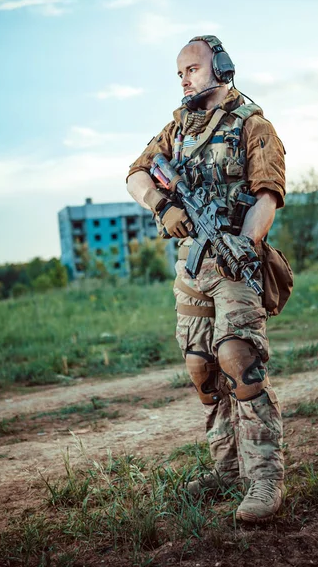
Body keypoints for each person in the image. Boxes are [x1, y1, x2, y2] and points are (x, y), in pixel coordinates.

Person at [126, 35, 286, 523]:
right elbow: (136, 174)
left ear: (221, 66)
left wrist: (247, 243)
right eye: (180, 72)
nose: (184, 78)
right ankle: (227, 467)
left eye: (192, 69)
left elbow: (268, 194)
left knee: (238, 358)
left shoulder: (252, 125)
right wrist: (162, 205)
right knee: (201, 366)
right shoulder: (176, 131)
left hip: (235, 258)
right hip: (192, 263)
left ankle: (264, 478)